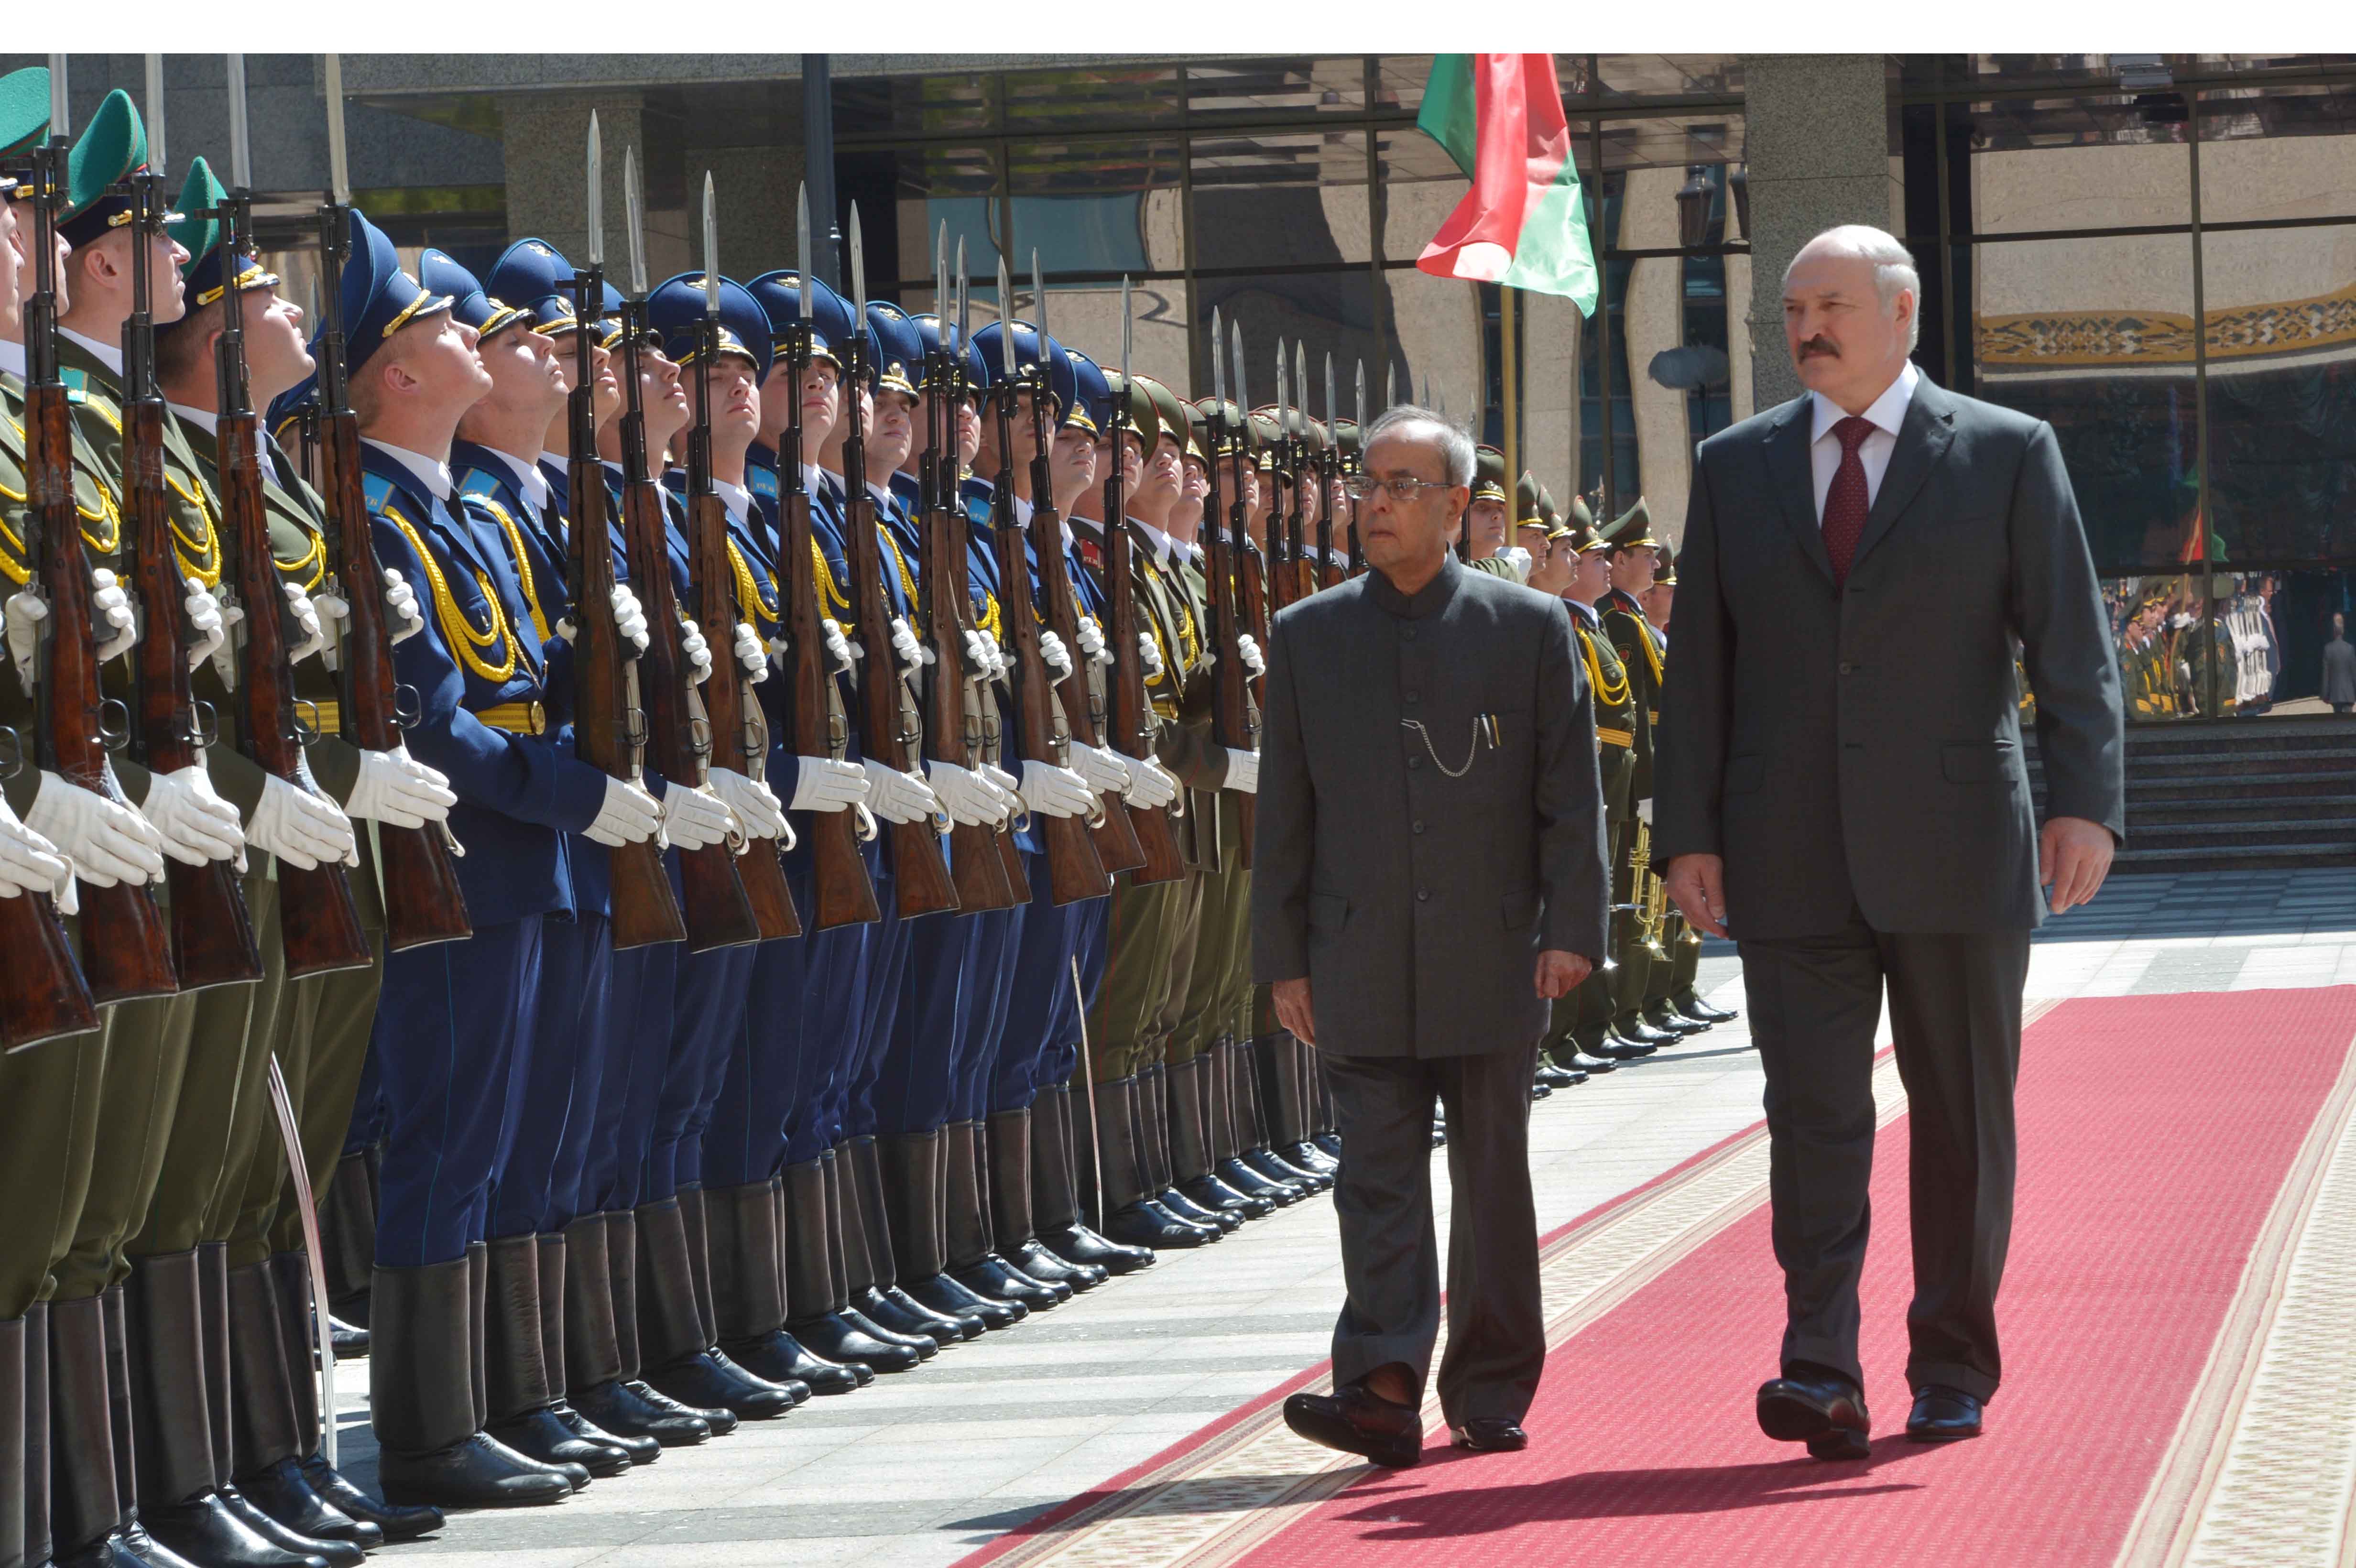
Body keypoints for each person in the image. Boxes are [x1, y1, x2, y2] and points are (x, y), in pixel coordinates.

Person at [1656, 223, 2124, 1459]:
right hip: (1787, 849)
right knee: (1812, 1116)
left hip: (1962, 845)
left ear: (1902, 315)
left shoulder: (2010, 455)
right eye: (1794, 305)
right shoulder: (1738, 463)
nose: (1807, 326)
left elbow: (2070, 644)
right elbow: (1699, 670)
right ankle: (1820, 1364)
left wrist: (2086, 801)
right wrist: (1688, 832)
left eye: (1832, 305)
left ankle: (1952, 1362)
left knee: (1962, 1114)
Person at [1254, 404, 1607, 1468]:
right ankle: (1382, 1381)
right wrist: (1282, 957)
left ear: (1456, 506)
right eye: (1368, 483)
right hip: (1355, 952)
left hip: (1494, 952)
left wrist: (1572, 927)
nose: (1376, 503)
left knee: (1492, 1175)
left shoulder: (1528, 628)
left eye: (1404, 485)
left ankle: (1489, 1382)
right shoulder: (1310, 634)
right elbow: (1285, 814)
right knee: (1374, 1175)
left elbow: (1570, 800)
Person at [2322, 612, 2354, 712]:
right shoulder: (2350, 649)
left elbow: (2326, 675)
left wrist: (2325, 695)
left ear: (2333, 630)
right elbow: (2354, 674)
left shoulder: (2328, 649)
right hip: (2349, 695)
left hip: (2335, 695)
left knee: (2337, 725)